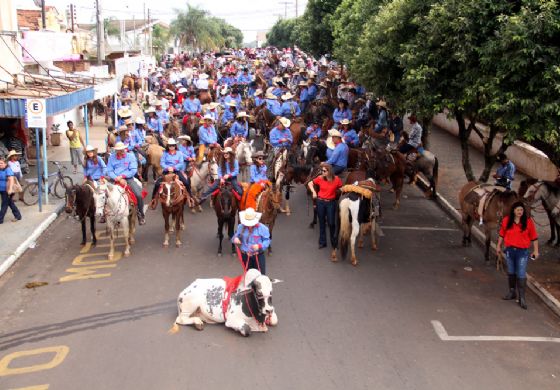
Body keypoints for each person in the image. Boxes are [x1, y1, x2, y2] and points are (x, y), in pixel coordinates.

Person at [496, 201, 539, 310]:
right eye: (518, 210)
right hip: (509, 251)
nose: (520, 212)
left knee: (521, 273)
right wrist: (498, 246)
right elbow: (502, 234)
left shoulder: (528, 222)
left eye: (521, 210)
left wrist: (536, 251)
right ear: (513, 211)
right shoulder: (506, 221)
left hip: (522, 252)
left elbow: (534, 237)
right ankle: (512, 292)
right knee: (511, 272)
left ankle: (522, 297)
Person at [106, 142, 146, 225]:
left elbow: (133, 170)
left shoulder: (130, 156)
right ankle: (105, 214)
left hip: (128, 178)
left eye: (122, 149)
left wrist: (122, 176)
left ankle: (140, 214)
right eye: (118, 150)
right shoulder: (111, 158)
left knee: (138, 194)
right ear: (116, 150)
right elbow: (109, 170)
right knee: (104, 195)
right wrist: (116, 177)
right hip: (115, 179)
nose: (121, 151)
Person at [149, 138, 192, 208]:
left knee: (186, 182)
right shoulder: (165, 153)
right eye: (170, 146)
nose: (171, 147)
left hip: (176, 171)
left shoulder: (179, 153)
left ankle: (190, 197)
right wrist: (167, 168)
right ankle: (153, 199)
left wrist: (174, 168)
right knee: (157, 184)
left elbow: (181, 163)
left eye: (173, 145)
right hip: (166, 171)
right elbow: (162, 162)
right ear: (168, 146)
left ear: (175, 146)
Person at [308, 163, 342, 249]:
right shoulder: (320, 178)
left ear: (329, 171)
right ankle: (322, 242)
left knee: (331, 223)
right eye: (322, 171)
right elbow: (310, 183)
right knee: (322, 223)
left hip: (331, 203)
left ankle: (334, 243)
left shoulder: (337, 179)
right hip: (320, 202)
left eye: (324, 171)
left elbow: (341, 188)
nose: (322, 172)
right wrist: (314, 192)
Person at [232, 207, 271, 274]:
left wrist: (259, 246)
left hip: (258, 256)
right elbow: (234, 237)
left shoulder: (262, 228)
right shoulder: (241, 227)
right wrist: (235, 239)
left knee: (261, 276)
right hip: (245, 255)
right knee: (248, 276)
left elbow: (267, 240)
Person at [0, 157, 21, 224]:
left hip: (7, 190)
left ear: (5, 163)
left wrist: (10, 190)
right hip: (1, 189)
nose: (0, 164)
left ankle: (0, 219)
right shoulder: (1, 169)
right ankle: (18, 216)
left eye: (1, 163)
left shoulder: (8, 170)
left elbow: (11, 180)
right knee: (10, 203)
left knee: (4, 204)